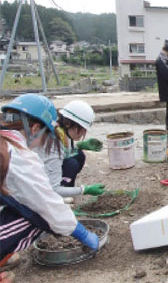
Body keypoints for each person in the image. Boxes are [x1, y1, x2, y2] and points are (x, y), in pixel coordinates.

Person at [0, 94, 99, 280]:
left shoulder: (5, 141)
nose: (45, 140)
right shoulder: (19, 157)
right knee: (35, 218)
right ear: (35, 128)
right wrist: (81, 232)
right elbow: (46, 204)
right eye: (46, 133)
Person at [33, 100, 105, 199]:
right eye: (82, 128)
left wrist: (79, 146)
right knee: (71, 163)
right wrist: (84, 190)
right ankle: (60, 196)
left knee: (78, 155)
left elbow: (66, 151)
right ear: (68, 123)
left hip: (44, 169)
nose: (84, 133)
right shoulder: (53, 144)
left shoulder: (59, 130)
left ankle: (67, 190)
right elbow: (53, 189)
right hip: (39, 183)